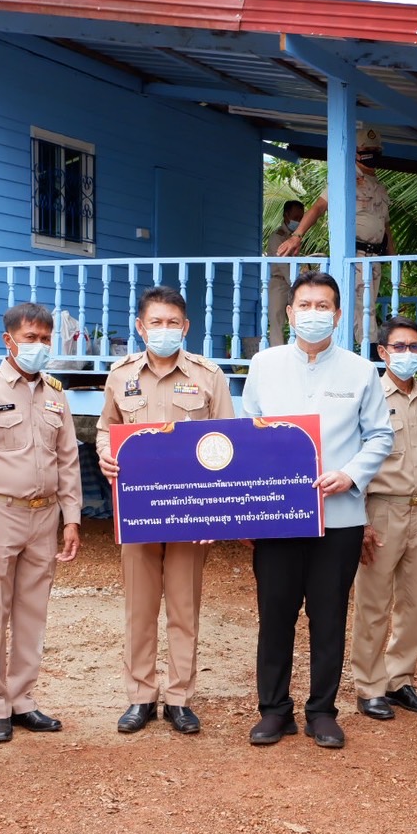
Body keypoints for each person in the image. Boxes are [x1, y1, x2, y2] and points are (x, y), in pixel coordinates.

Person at [242, 270, 393, 750]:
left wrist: (351, 474)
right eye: (304, 306)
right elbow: (247, 434)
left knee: (328, 618)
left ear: (338, 314)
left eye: (323, 306)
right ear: (289, 314)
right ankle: (274, 711)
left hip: (339, 516)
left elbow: (380, 436)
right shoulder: (264, 365)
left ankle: (322, 712)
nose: (313, 314)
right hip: (278, 516)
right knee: (276, 616)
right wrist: (247, 506)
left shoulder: (361, 371)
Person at [96, 287, 234, 735]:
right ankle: (140, 696)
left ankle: (179, 698)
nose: (165, 330)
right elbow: (107, 428)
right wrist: (105, 453)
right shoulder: (120, 375)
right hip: (138, 509)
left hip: (190, 512)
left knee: (183, 607)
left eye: (173, 322)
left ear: (186, 327)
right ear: (141, 327)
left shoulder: (209, 376)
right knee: (139, 609)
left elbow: (227, 444)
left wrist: (214, 510)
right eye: (156, 322)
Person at [0, 303, 82, 744]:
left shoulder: (55, 394)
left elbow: (68, 459)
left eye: (45, 339)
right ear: (8, 340)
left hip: (44, 516)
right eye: (31, 338)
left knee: (33, 612)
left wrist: (71, 518)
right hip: (0, 513)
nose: (39, 346)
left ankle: (22, 699)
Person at [349, 316, 417, 721]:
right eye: (399, 347)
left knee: (414, 603)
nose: (407, 354)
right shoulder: (369, 395)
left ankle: (399, 679)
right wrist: (360, 519)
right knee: (373, 603)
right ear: (383, 352)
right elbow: (354, 458)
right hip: (381, 509)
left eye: (414, 347)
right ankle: (369, 685)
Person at [276, 127, 395, 342]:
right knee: (361, 307)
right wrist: (297, 235)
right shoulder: (345, 179)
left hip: (375, 257)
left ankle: (365, 349)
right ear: (356, 152)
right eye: (367, 150)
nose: (373, 154)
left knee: (367, 305)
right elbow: (318, 207)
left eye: (376, 150)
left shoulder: (379, 187)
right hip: (355, 254)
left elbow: (385, 226)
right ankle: (370, 350)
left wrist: (393, 259)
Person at [261, 199, 304, 353]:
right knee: (277, 321)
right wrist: (296, 284)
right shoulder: (277, 236)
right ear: (286, 215)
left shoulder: (297, 236)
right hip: (279, 283)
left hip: (293, 283)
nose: (298, 221)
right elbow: (283, 264)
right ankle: (277, 355)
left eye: (301, 218)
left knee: (299, 320)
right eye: (296, 217)